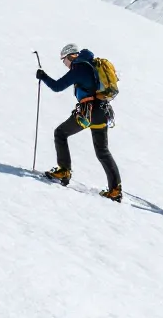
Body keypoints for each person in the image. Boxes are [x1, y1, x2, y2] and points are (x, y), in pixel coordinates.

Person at [37, 43, 122, 201]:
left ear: (70, 56)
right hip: (102, 112)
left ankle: (64, 171)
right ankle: (115, 190)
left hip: (87, 113)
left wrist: (43, 76)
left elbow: (57, 86)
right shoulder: (91, 65)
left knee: (60, 133)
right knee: (102, 151)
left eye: (64, 61)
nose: (65, 64)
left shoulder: (79, 68)